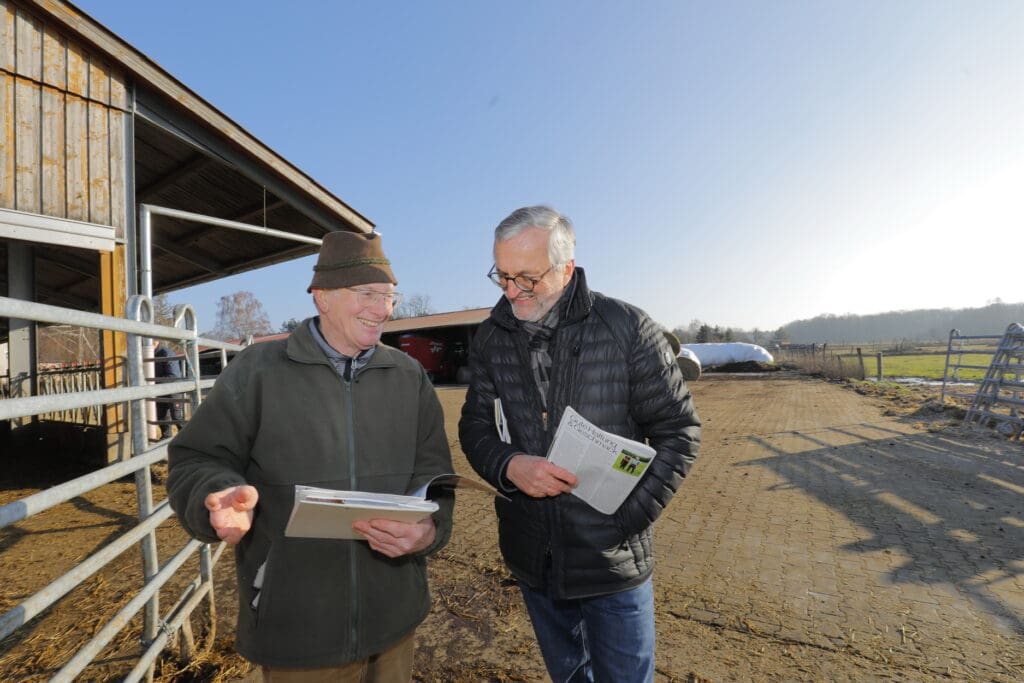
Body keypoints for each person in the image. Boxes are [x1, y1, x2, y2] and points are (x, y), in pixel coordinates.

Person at [167, 231, 454, 682]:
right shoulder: (259, 371)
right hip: (299, 626)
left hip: (395, 615)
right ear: (322, 297)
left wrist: (430, 529)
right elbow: (196, 456)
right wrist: (215, 493)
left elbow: (435, 474)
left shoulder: (407, 375)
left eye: (389, 296)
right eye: (368, 294)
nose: (383, 310)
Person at [459, 206, 701, 682]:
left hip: (611, 564)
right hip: (533, 556)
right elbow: (474, 428)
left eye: (527, 278)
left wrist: (623, 521)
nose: (512, 292)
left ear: (567, 269)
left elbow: (680, 432)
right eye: (502, 276)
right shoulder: (491, 338)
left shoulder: (627, 328)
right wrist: (510, 466)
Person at [153, 343, 184, 438]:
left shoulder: (167, 353)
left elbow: (174, 376)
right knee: (161, 416)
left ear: (156, 341)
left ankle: (187, 438)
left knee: (177, 416)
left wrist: (153, 382)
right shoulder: (151, 354)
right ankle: (166, 438)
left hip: (173, 389)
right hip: (159, 390)